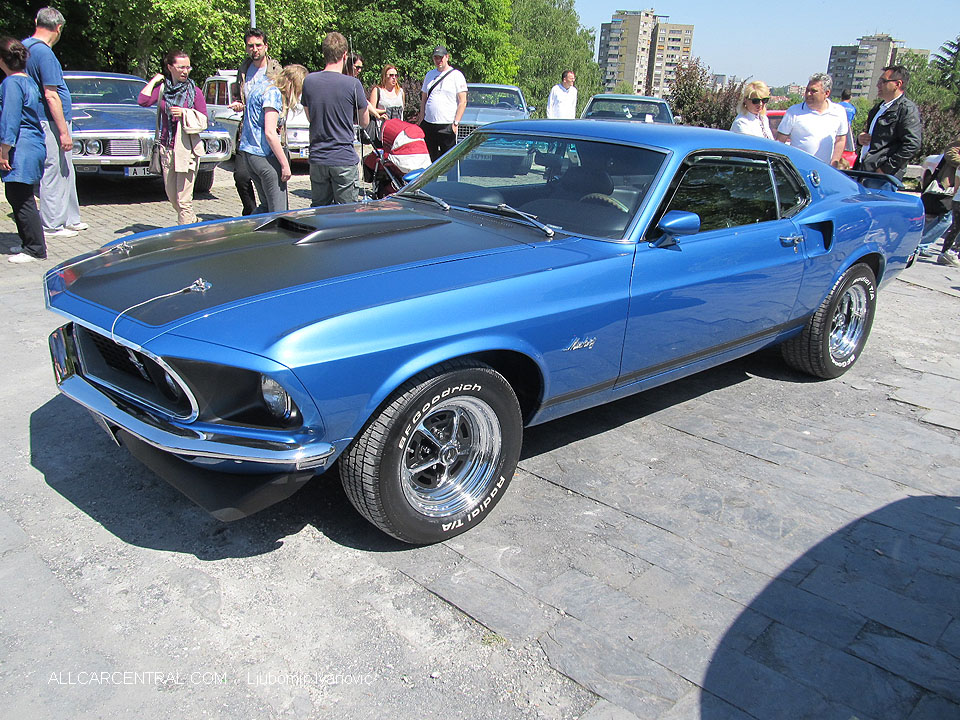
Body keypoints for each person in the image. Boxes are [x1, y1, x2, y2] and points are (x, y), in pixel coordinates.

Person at [22, 7, 85, 239]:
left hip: (41, 117)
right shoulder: (44, 53)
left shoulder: (25, 47)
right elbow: (51, 94)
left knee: (64, 168)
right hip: (49, 119)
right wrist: (63, 131)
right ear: (58, 28)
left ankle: (70, 218)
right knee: (54, 170)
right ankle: (52, 224)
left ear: (36, 21)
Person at [138, 51, 207, 225]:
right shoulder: (163, 90)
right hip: (166, 149)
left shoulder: (195, 91)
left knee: (183, 200)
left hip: (187, 149)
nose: (185, 71)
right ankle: (193, 222)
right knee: (173, 197)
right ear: (170, 67)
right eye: (181, 67)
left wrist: (184, 113)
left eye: (188, 67)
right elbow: (142, 100)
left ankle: (186, 237)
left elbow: (204, 120)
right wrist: (154, 81)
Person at [300, 32, 369, 206]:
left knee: (320, 212)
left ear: (324, 53)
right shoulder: (353, 84)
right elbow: (364, 122)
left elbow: (310, 117)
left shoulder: (309, 81)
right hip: (343, 159)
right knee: (346, 215)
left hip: (318, 158)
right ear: (345, 55)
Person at [0, 37, 47, 262]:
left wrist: (3, 151)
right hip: (33, 143)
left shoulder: (10, 83)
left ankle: (35, 248)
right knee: (17, 194)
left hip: (21, 145)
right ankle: (27, 242)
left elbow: (10, 119)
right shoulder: (27, 80)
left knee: (21, 196)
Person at [230, 29, 282, 215]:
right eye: (250, 46)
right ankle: (252, 213)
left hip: (269, 136)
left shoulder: (275, 71)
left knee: (276, 191)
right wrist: (239, 105)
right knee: (241, 176)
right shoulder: (244, 70)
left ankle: (265, 215)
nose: (255, 49)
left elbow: (280, 102)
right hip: (248, 134)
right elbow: (242, 97)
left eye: (258, 45)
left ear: (266, 47)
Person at [235, 62, 292, 213]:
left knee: (265, 207)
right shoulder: (273, 93)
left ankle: (248, 233)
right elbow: (270, 133)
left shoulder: (261, 85)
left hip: (249, 153)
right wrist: (284, 164)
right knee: (279, 211)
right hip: (264, 155)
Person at [856, 65, 922, 180]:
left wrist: (885, 169)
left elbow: (912, 144)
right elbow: (875, 137)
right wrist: (860, 139)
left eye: (883, 81)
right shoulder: (878, 108)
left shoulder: (906, 109)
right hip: (864, 170)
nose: (878, 85)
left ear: (898, 84)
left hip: (882, 177)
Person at [775, 73, 848, 166]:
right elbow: (780, 141)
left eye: (813, 91)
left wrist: (834, 163)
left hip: (825, 170)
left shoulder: (839, 112)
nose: (808, 94)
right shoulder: (793, 112)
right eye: (807, 90)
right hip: (798, 169)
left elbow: (841, 140)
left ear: (826, 93)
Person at [413, 46, 467, 162]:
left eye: (441, 58)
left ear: (447, 57)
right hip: (429, 123)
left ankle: (451, 181)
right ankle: (432, 180)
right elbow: (424, 99)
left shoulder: (456, 75)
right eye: (436, 58)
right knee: (429, 159)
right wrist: (421, 117)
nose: (439, 61)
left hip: (447, 124)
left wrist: (455, 123)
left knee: (449, 161)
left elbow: (463, 101)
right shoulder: (429, 75)